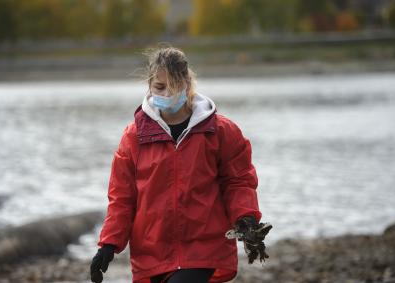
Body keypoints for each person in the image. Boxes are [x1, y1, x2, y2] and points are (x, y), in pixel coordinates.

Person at [90, 45, 270, 283]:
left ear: (187, 83)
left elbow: (239, 181)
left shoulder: (221, 131)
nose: (167, 94)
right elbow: (122, 198)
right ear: (149, 86)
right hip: (152, 250)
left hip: (204, 247)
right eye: (160, 87)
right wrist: (108, 245)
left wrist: (246, 219)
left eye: (174, 86)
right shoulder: (134, 137)